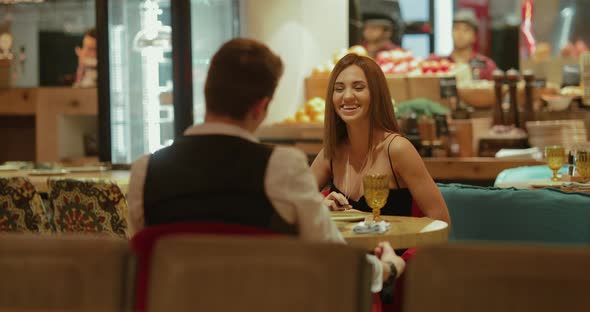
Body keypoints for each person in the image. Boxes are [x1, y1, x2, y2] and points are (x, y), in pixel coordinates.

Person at [127, 38, 405, 294]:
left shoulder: (144, 171)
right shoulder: (281, 167)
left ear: (207, 92)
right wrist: (388, 268)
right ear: (261, 107)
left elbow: (140, 265)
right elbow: (334, 262)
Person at [311, 53, 450, 224]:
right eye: (339, 89)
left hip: (391, 250)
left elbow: (441, 220)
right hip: (343, 251)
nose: (347, 96)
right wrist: (318, 205)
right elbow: (290, 204)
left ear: (376, 94)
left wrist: (370, 220)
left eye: (359, 87)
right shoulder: (333, 151)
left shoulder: (397, 149)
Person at [429, 8, 497, 80]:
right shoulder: (435, 63)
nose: (460, 34)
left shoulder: (487, 66)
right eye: (456, 28)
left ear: (474, 36)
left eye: (466, 30)